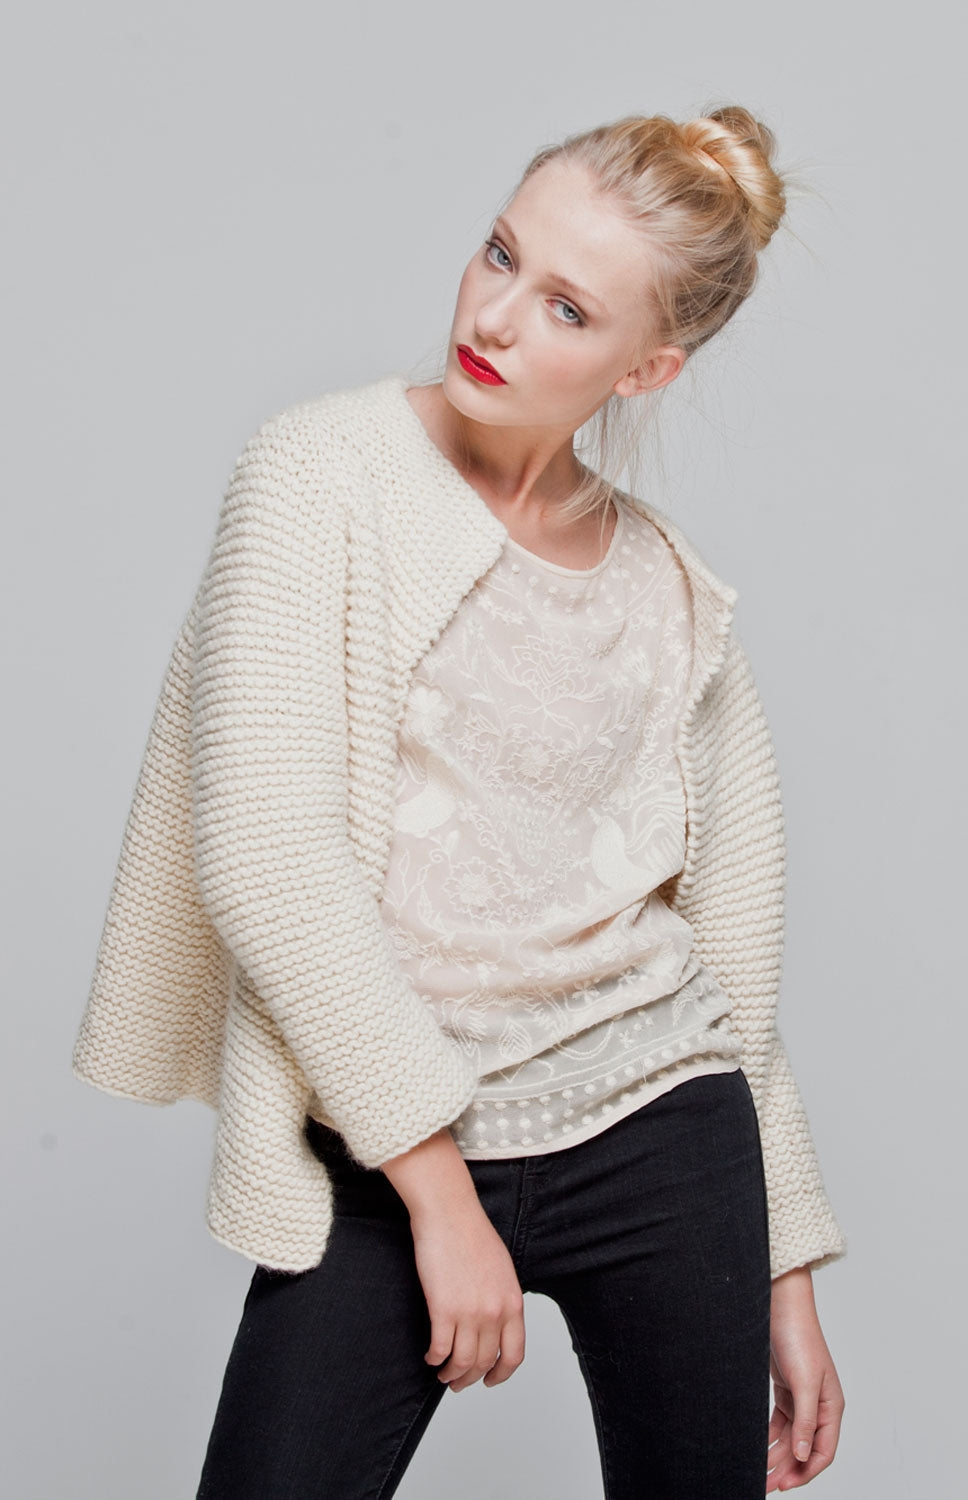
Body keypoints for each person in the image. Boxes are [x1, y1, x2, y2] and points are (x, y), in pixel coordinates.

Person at [72, 104, 847, 1498]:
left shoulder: (668, 588)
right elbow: (265, 852)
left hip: (664, 1138)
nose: (493, 316)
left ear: (647, 368)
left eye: (566, 307)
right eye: (500, 252)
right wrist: (437, 1194)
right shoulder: (319, 475)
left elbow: (730, 959)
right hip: (389, 1152)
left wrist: (783, 1267)